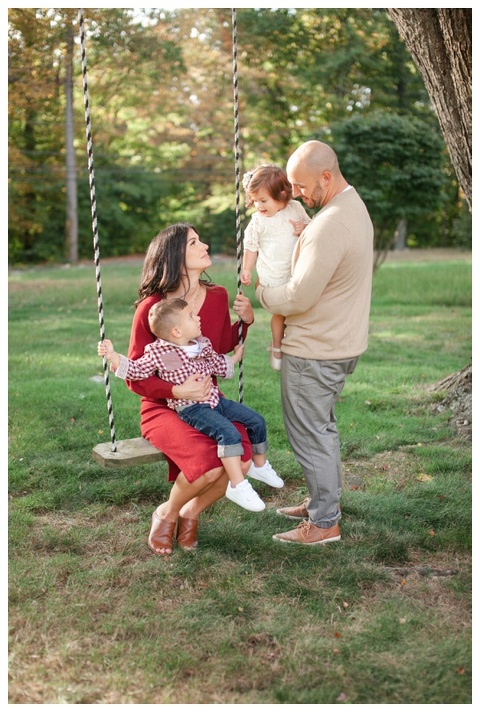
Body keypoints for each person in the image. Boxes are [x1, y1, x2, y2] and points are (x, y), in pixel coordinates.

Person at [123, 223, 276, 557]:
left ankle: (192, 512)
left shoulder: (218, 296)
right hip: (163, 408)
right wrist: (178, 391)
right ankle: (167, 513)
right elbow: (135, 377)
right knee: (210, 463)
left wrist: (245, 322)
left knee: (244, 458)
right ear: (176, 256)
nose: (204, 245)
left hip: (210, 404)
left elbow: (219, 346)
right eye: (194, 242)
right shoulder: (153, 309)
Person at [255, 140, 374, 546]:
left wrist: (264, 296)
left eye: (303, 186)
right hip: (339, 342)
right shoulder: (351, 208)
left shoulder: (331, 224)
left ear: (326, 176)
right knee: (320, 428)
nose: (298, 194)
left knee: (310, 433)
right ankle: (322, 502)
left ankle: (324, 523)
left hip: (316, 349)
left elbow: (299, 296)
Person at [98, 298, 283, 513]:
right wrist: (113, 357)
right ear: (177, 331)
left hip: (216, 400)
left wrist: (234, 358)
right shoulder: (159, 353)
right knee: (228, 434)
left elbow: (216, 364)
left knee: (256, 420)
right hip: (193, 409)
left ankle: (259, 465)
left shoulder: (201, 344)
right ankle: (237, 485)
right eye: (191, 316)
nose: (198, 318)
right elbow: (136, 370)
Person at [241, 164, 311, 370]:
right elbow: (251, 246)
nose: (258, 206)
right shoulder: (257, 221)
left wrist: (304, 228)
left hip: (296, 272)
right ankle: (277, 345)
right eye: (254, 201)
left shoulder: (296, 209)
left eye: (263, 200)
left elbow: (313, 226)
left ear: (282, 194)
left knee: (298, 312)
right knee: (279, 314)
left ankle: (297, 344)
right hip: (272, 277)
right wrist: (247, 269)